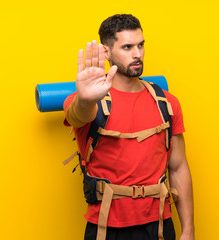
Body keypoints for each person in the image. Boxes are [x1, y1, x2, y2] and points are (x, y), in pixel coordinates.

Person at [63, 14, 195, 240]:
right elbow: (78, 115)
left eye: (140, 45)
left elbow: (178, 167)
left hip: (159, 227)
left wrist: (189, 230)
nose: (137, 54)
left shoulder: (167, 103)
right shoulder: (87, 102)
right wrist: (86, 100)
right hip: (106, 228)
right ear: (106, 52)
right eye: (127, 47)